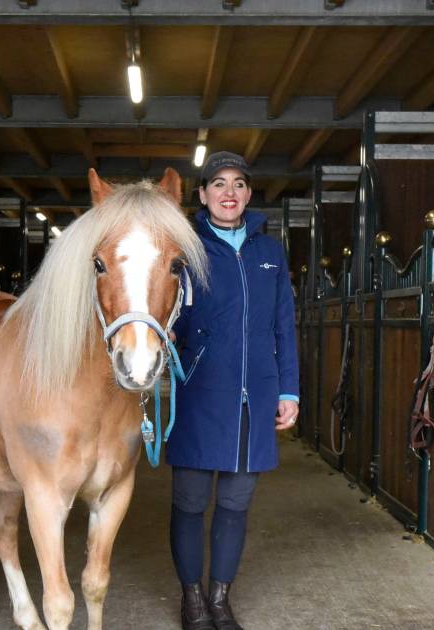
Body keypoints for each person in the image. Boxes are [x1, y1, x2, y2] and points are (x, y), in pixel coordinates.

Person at [168, 151, 300, 630]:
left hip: (255, 397)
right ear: (203, 195)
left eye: (238, 184)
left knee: (235, 504)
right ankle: (193, 599)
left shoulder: (271, 252)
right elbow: (168, 314)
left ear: (248, 193)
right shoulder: (185, 250)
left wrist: (289, 391)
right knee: (190, 502)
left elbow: (284, 325)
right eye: (219, 184)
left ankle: (220, 600)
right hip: (199, 391)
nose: (229, 192)